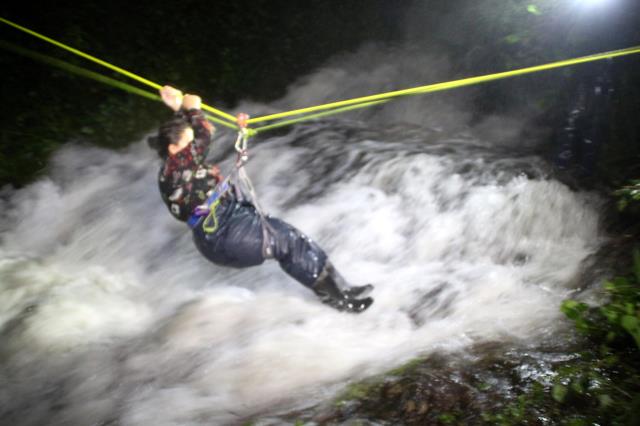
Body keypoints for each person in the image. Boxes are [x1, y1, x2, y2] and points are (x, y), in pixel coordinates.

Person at [148, 85, 374, 313]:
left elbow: (197, 137)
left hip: (228, 223)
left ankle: (342, 289)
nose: (193, 146)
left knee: (295, 237)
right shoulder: (173, 171)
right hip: (223, 235)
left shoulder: (177, 165)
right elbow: (202, 137)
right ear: (174, 149)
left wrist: (179, 109)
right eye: (188, 144)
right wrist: (193, 110)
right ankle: (340, 303)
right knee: (289, 243)